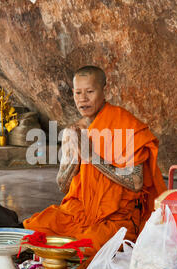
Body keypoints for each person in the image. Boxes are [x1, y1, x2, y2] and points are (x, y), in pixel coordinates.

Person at [23, 66, 167, 256]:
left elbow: (135, 182)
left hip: (114, 218)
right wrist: (76, 157)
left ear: (104, 91)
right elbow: (63, 185)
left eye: (90, 92)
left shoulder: (125, 125)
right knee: (33, 230)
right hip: (79, 212)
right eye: (78, 93)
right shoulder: (73, 131)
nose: (83, 99)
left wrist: (92, 158)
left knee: (88, 245)